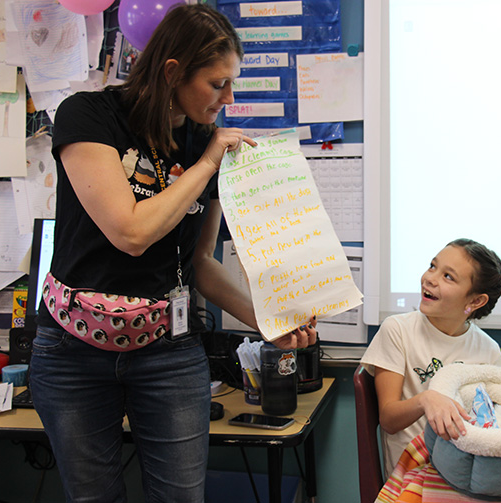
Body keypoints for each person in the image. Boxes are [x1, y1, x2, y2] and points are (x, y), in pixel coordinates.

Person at [29, 5, 316, 502]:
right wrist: (207, 164)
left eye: (232, 83)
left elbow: (201, 264)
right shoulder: (87, 115)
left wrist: (268, 320)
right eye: (217, 84)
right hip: (73, 351)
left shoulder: (204, 142)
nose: (228, 98)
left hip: (166, 348)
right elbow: (131, 232)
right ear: (172, 72)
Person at [361, 238, 501, 476]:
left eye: (448, 276)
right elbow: (388, 419)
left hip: (466, 474)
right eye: (432, 266)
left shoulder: (488, 351)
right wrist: (425, 400)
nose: (430, 278)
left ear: (475, 301)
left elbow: (497, 422)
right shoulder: (398, 330)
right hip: (413, 476)